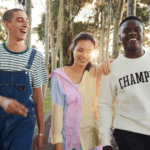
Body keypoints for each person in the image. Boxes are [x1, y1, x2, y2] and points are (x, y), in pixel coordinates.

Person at [48, 32, 113, 150]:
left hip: (92, 139)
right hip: (67, 140)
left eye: (89, 51)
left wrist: (109, 61)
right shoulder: (59, 76)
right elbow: (56, 111)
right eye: (80, 50)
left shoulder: (97, 72)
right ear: (72, 50)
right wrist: (57, 143)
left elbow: (117, 67)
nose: (84, 55)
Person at [98, 16, 150, 150]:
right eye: (126, 31)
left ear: (143, 35)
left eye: (137, 30)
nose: (132, 33)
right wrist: (106, 141)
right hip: (128, 131)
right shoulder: (111, 68)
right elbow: (105, 104)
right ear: (120, 37)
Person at [0, 8, 48, 150]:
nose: (26, 25)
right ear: (7, 25)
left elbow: (38, 96)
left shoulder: (36, 57)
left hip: (23, 126)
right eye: (20, 20)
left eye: (27, 21)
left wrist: (41, 133)